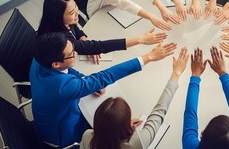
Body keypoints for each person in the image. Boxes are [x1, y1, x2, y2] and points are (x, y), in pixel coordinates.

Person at [30, 32, 176, 148]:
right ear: (55, 63)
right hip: (60, 134)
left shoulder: (40, 58)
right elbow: (104, 76)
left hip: (48, 116)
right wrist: (149, 57)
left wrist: (85, 82)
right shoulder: (62, 88)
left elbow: (66, 72)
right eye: (71, 53)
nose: (76, 53)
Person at [79, 47, 189, 149]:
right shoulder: (137, 143)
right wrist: (176, 73)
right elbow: (159, 112)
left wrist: (122, 125)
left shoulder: (87, 136)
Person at [38, 0, 167, 64]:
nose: (77, 13)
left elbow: (74, 27)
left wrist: (82, 38)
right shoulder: (62, 42)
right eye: (72, 13)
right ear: (57, 17)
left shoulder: (62, 22)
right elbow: (99, 46)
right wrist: (140, 40)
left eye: (76, 7)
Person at [182, 47, 229, 149]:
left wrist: (196, 75)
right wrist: (223, 74)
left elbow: (190, 113)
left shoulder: (190, 146)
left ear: (203, 135)